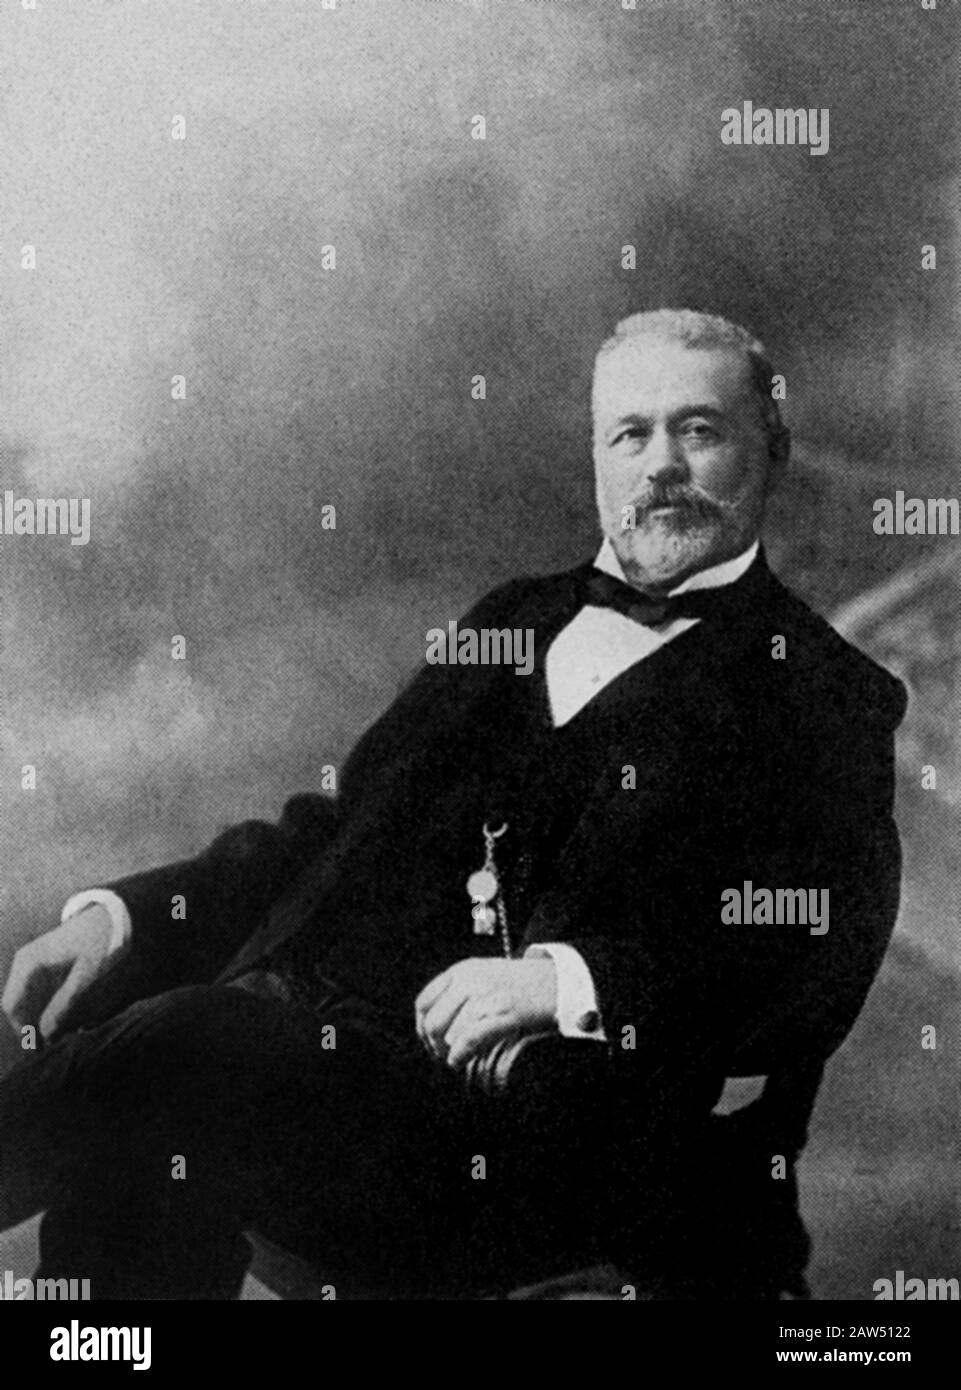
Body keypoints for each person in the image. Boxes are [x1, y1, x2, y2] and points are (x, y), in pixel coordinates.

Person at [0, 309, 906, 1300]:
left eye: (698, 430)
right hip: (344, 1084)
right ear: (596, 456)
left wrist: (568, 982)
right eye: (628, 433)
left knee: (183, 1050)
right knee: (140, 1068)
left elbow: (813, 949)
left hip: (546, 1150)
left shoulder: (823, 695)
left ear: (768, 449)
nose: (660, 466)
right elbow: (335, 833)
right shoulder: (511, 618)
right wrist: (122, 913)